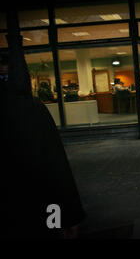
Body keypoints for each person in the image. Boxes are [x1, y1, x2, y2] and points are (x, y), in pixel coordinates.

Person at [0, 15, 86, 238]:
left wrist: (65, 217)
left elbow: (54, 168)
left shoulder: (29, 110)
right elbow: (55, 169)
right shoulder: (30, 109)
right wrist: (67, 217)